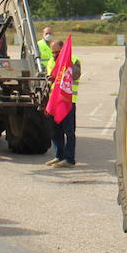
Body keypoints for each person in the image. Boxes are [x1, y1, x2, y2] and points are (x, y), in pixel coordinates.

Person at [45, 38, 81, 168]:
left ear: (64, 50)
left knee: (69, 131)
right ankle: (59, 156)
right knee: (55, 131)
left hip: (68, 102)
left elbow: (75, 75)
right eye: (52, 52)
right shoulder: (50, 62)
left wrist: (67, 62)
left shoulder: (74, 60)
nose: (54, 55)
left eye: (57, 52)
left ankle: (69, 159)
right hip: (54, 102)